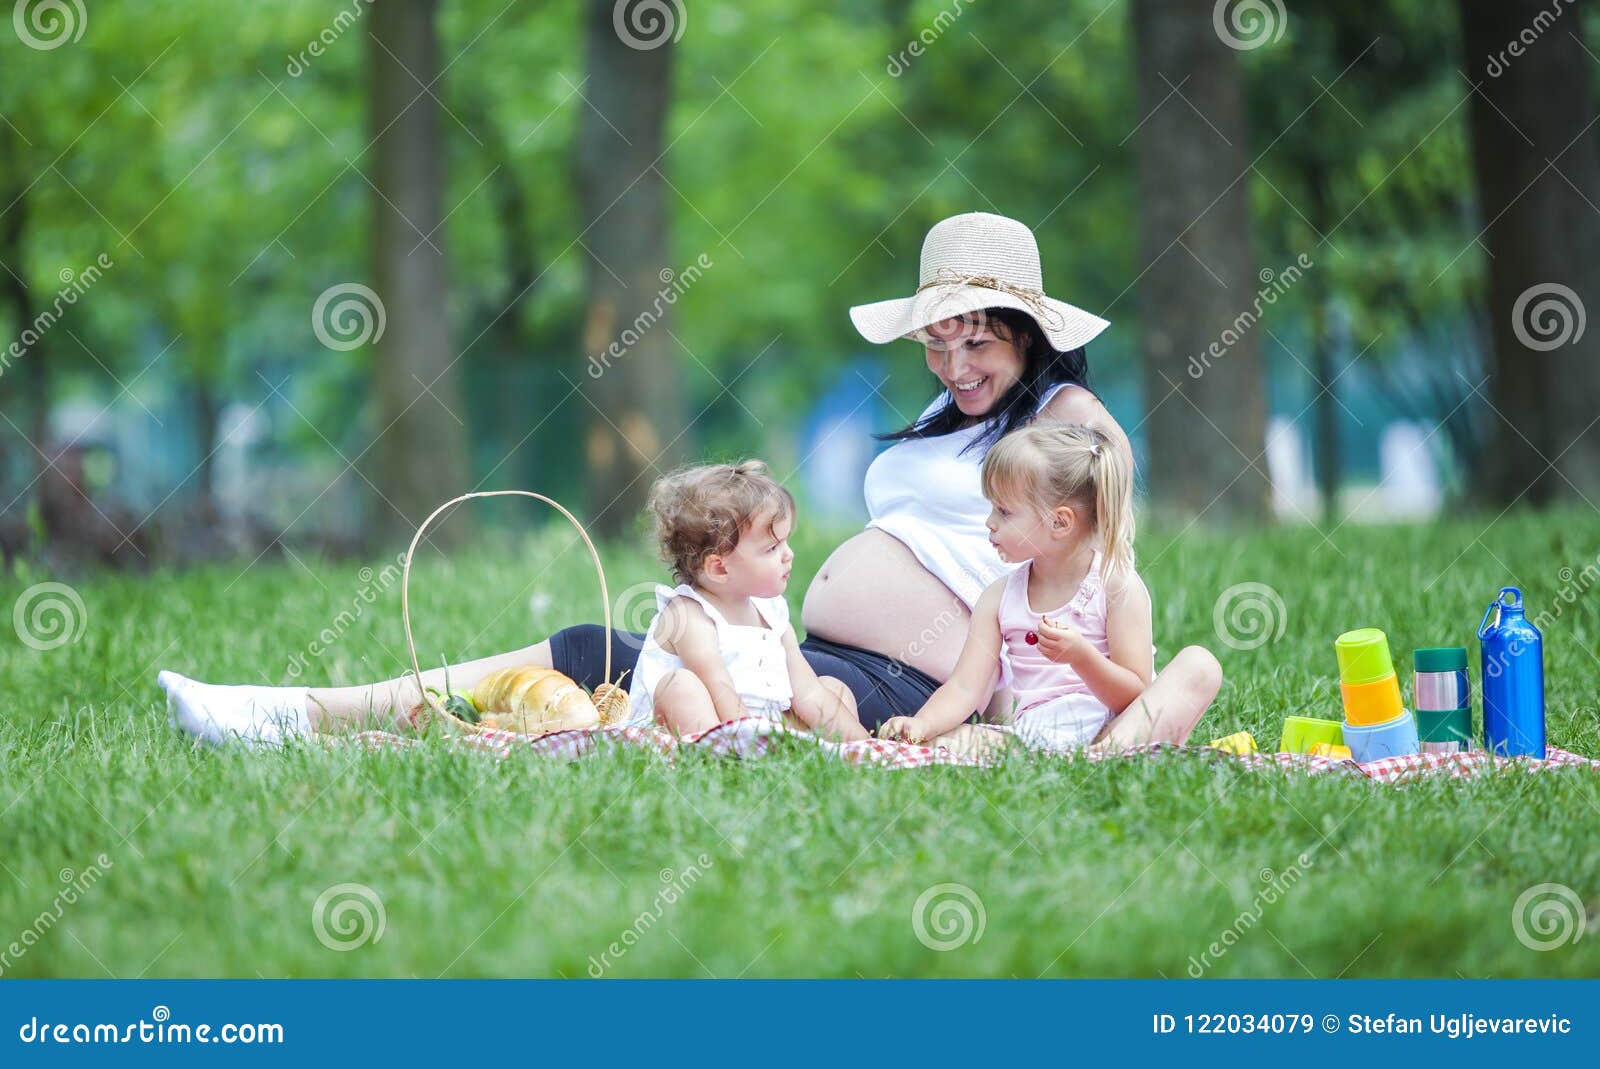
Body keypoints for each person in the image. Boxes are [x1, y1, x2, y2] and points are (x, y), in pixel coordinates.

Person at [157, 212, 1221, 748]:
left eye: (976, 343)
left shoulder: (1066, 420)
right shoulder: (949, 417)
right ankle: (302, 709)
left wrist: (1002, 687)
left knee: (614, 670)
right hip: (824, 652)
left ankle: (307, 715)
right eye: (936, 345)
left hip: (922, 689)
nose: (952, 366)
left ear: (1026, 330)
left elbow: (1104, 572)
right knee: (594, 651)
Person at [880, 421, 1148, 753]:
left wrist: (1081, 657)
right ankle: (1090, 758)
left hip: (1118, 727)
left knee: (1198, 666)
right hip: (1036, 736)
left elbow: (1138, 696)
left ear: (1059, 522)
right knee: (943, 739)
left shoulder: (1116, 585)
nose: (989, 522)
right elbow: (965, 687)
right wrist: (922, 723)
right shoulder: (998, 598)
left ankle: (1106, 752)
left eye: (1004, 512)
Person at [623, 460, 867, 740]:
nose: (789, 555)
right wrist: (752, 741)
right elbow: (719, 689)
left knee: (832, 689)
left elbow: (807, 692)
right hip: (707, 725)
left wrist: (866, 746)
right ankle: (723, 758)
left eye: (785, 542)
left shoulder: (771, 614)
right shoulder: (689, 615)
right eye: (772, 548)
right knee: (680, 686)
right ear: (719, 568)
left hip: (760, 721)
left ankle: (835, 752)